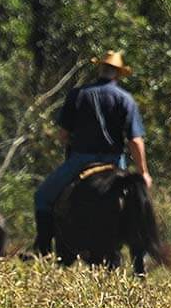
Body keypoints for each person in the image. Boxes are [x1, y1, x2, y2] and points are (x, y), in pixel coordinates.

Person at [33, 50, 150, 255]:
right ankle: (140, 255)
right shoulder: (126, 99)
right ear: (118, 74)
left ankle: (42, 249)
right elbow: (135, 140)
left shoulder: (78, 94)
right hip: (115, 161)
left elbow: (63, 135)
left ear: (100, 69)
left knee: (42, 197)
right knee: (137, 204)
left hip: (81, 159)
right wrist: (143, 172)